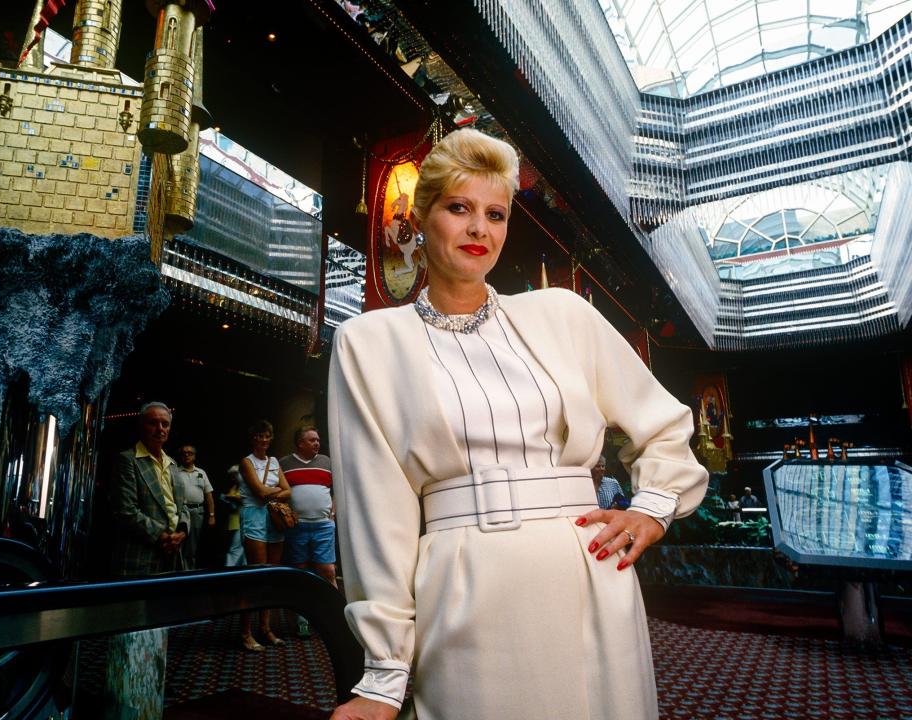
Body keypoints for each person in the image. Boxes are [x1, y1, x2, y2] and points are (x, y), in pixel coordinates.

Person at [328, 128, 708, 720]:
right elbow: (376, 513)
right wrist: (383, 674)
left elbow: (663, 424)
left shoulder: (561, 313)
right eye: (459, 208)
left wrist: (653, 508)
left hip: (587, 568)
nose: (480, 228)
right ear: (420, 217)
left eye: (496, 214)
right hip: (460, 580)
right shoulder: (366, 342)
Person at [109, 402, 189, 576]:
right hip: (141, 556)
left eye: (165, 424)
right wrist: (164, 536)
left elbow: (183, 507)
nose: (160, 428)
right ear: (141, 426)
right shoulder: (128, 459)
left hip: (174, 556)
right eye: (153, 423)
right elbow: (126, 511)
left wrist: (182, 532)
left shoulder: (173, 464)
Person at [238, 419, 292, 651]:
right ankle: (245, 633)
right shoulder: (246, 462)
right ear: (253, 438)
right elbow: (259, 492)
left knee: (270, 576)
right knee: (255, 576)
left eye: (267, 435)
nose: (264, 439)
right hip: (254, 516)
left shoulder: (274, 461)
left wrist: (275, 493)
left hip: (273, 517)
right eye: (260, 435)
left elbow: (289, 491)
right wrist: (277, 491)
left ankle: (265, 629)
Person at [281, 426, 336, 639]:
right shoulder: (284, 463)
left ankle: (335, 616)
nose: (317, 443)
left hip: (323, 525)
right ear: (300, 443)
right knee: (300, 571)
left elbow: (338, 489)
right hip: (297, 526)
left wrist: (333, 512)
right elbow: (279, 490)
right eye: (312, 440)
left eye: (318, 439)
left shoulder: (327, 462)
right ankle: (302, 620)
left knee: (328, 570)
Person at [174, 445, 215, 569]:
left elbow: (209, 495)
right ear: (180, 456)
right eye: (184, 453)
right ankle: (178, 572)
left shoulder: (201, 473)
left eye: (190, 453)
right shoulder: (175, 472)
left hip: (198, 511)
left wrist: (212, 515)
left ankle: (188, 573)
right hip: (181, 511)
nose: (187, 455)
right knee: (179, 542)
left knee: (192, 545)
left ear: (194, 456)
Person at [222, 465, 246, 567]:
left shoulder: (245, 487)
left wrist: (230, 497)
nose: (232, 479)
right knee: (240, 547)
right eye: (231, 476)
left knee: (235, 548)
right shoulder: (234, 487)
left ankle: (229, 569)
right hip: (234, 521)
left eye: (234, 476)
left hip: (242, 521)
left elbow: (243, 499)